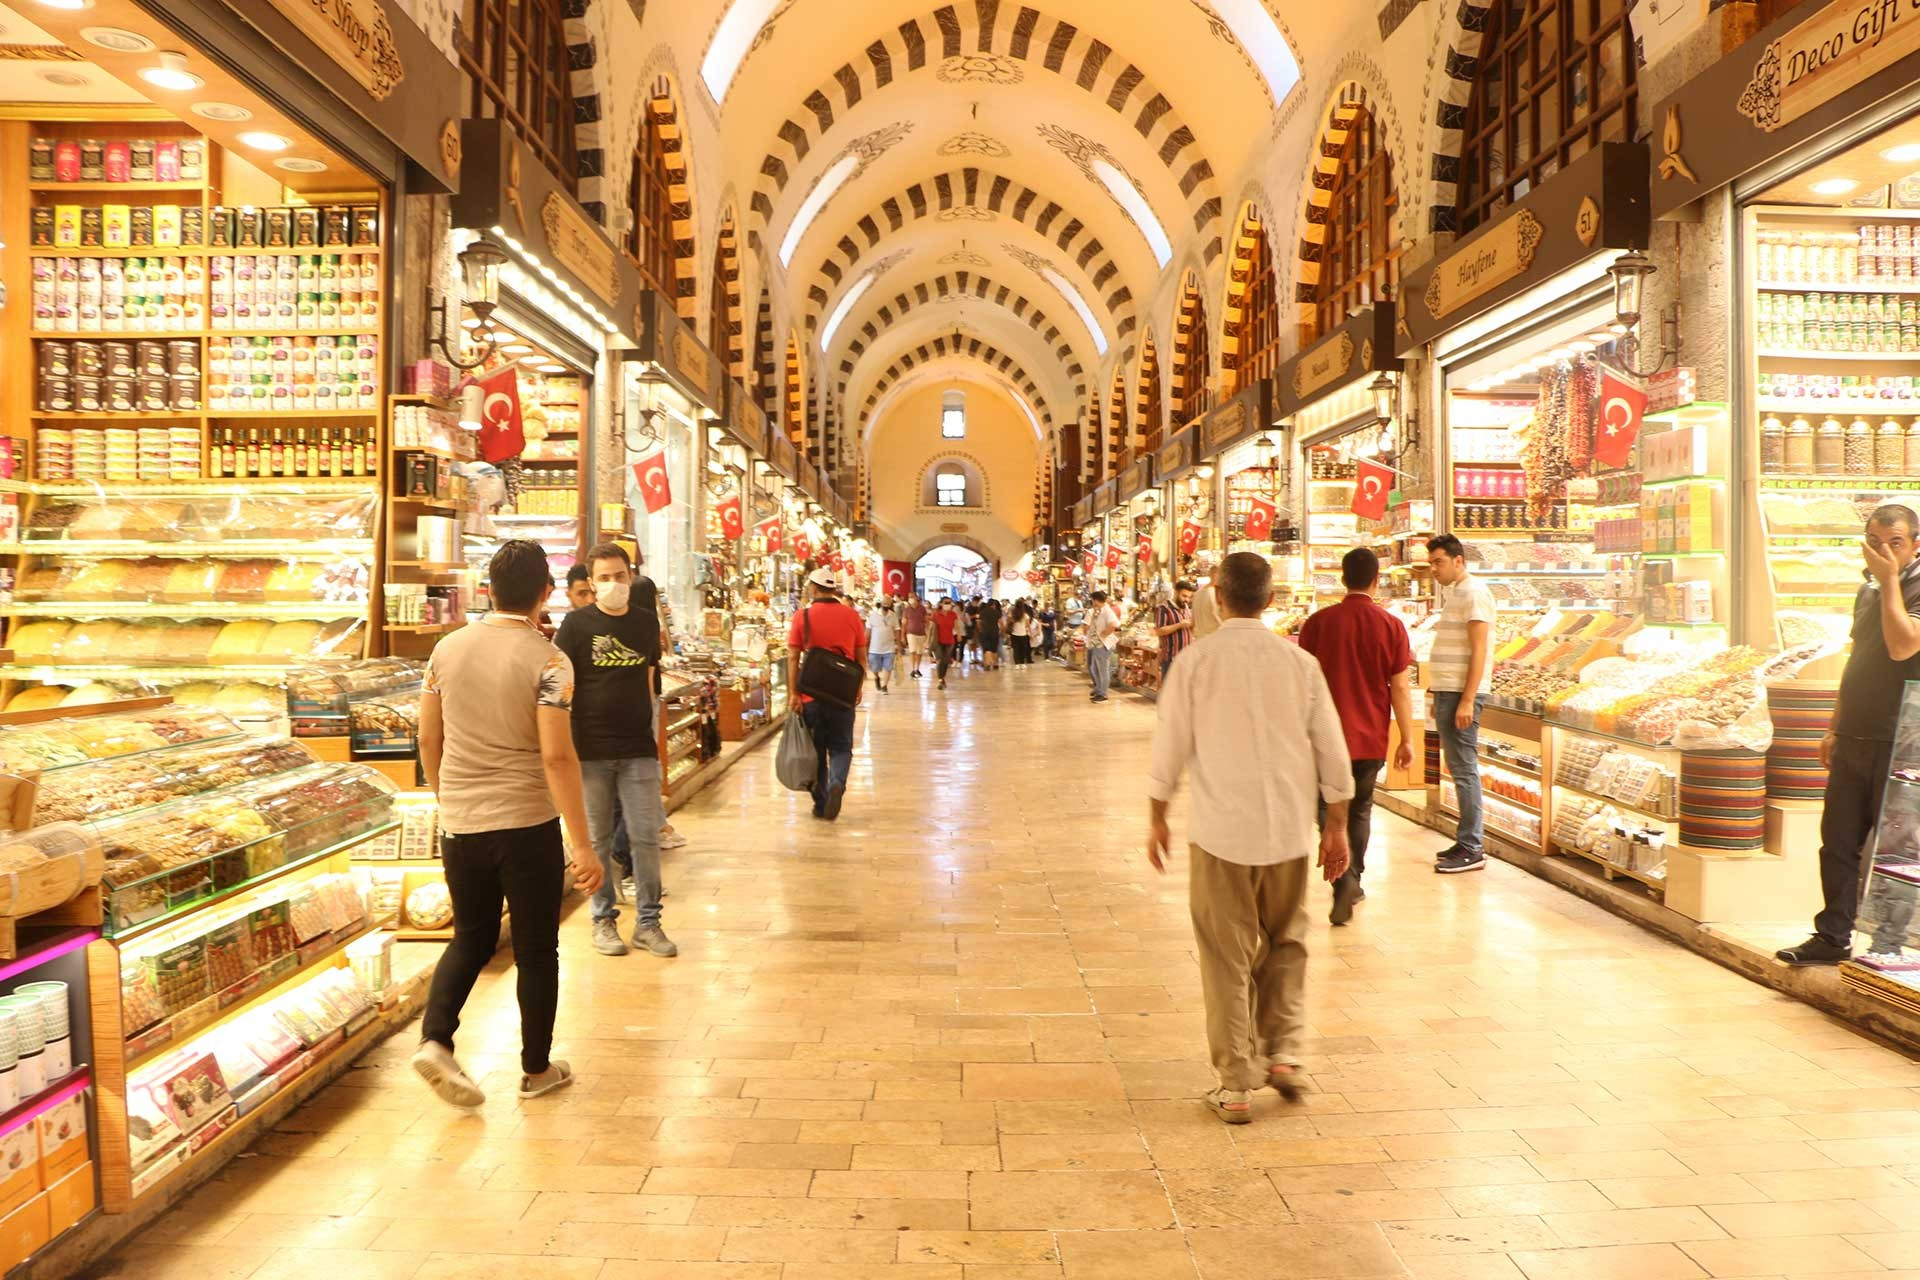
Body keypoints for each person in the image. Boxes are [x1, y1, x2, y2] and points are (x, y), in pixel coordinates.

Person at [1146, 551, 1354, 1124]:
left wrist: (1157, 813)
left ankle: (1237, 1082)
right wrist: (1335, 825)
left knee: (1225, 954)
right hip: (1287, 830)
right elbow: (1331, 749)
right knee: (1286, 942)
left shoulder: (1196, 662)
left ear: (1217, 594)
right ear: (1269, 599)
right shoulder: (1299, 664)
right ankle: (1284, 1053)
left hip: (1220, 833)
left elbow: (1170, 744)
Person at [413, 540, 603, 1108]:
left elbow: (428, 737)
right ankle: (536, 1070)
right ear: (547, 594)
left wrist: (451, 801)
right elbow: (556, 757)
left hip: (462, 823)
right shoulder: (550, 661)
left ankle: (435, 1039)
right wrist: (583, 844)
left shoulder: (445, 650)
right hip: (526, 825)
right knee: (536, 948)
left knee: (470, 936)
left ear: (487, 590)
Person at [1779, 505, 1920, 965]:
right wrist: (1834, 726)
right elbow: (1857, 659)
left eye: (1895, 542)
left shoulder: (1910, 588)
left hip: (1902, 743)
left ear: (1916, 544)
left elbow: (1902, 645)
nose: (1884, 552)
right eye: (1875, 542)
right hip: (1854, 736)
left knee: (1896, 852)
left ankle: (1889, 945)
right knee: (1837, 842)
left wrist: (1891, 581)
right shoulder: (1868, 591)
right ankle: (1832, 936)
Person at [552, 543, 675, 960]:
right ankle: (602, 919)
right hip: (590, 750)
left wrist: (652, 736)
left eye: (619, 576)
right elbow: (561, 688)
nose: (613, 584)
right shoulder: (574, 626)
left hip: (637, 749)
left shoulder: (644, 623)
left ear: (630, 576)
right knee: (597, 839)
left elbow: (647, 680)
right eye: (603, 578)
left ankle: (649, 923)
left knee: (645, 838)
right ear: (590, 582)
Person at [1298, 547, 1417, 925]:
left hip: (1325, 737)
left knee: (1327, 808)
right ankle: (1354, 878)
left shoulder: (1318, 623)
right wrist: (1407, 737)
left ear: (1342, 578)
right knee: (1361, 808)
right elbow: (1399, 687)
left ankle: (1344, 881)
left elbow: (1305, 685)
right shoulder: (1391, 625)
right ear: (1376, 579)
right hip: (1370, 735)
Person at [1425, 534, 1496, 875]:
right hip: (1448, 691)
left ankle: (1472, 846)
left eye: (1438, 562)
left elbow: (1479, 649)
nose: (1433, 569)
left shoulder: (1473, 593)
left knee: (1464, 767)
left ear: (1458, 560)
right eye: (1431, 564)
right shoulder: (1456, 593)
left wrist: (1467, 698)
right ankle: (1465, 838)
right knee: (1457, 766)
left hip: (1460, 694)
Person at [788, 568, 865, 820]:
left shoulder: (803, 616)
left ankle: (821, 803)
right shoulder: (852, 615)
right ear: (834, 589)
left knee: (817, 751)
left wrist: (794, 693)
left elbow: (792, 656)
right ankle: (837, 784)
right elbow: (861, 657)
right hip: (842, 695)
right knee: (842, 747)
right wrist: (858, 686)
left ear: (813, 588)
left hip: (812, 695)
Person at [1155, 580, 1197, 678]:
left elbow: (1191, 630)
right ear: (1176, 592)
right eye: (1184, 596)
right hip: (1171, 660)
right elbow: (1159, 631)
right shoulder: (1163, 608)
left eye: (1189, 597)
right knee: (1170, 692)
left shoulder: (1186, 608)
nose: (1187, 600)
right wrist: (1179, 625)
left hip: (1187, 659)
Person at [1087, 590, 1121, 703]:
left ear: (1096, 600)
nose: (1092, 602)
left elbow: (1114, 624)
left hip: (1103, 644)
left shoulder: (1107, 611)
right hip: (1097, 643)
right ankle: (1099, 689)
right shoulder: (1100, 610)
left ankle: (1103, 694)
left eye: (1093, 600)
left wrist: (1104, 634)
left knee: (1102, 669)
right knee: (1095, 668)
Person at [866, 595, 898, 694]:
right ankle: (877, 677)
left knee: (888, 668)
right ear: (881, 603)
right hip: (874, 648)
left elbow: (897, 629)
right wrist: (865, 643)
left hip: (889, 647)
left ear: (891, 604)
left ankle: (884, 686)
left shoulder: (893, 616)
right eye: (885, 602)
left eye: (888, 602)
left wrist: (898, 643)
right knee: (875, 668)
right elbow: (868, 631)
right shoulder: (872, 615)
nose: (886, 604)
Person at [930, 597, 961, 689]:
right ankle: (940, 680)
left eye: (949, 603)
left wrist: (959, 634)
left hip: (950, 640)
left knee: (946, 661)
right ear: (941, 604)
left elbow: (956, 625)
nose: (947, 604)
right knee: (939, 660)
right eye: (945, 602)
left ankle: (943, 677)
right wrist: (928, 640)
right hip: (938, 641)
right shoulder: (936, 615)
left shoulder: (953, 614)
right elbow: (931, 628)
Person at [903, 595, 930, 679]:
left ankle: (917, 668)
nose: (912, 600)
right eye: (911, 598)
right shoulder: (907, 610)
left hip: (921, 633)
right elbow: (904, 623)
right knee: (912, 651)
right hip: (910, 633)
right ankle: (913, 668)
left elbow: (926, 621)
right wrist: (902, 636)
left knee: (919, 652)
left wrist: (927, 632)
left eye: (914, 598)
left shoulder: (922, 609)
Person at [1191, 577, 1223, 642]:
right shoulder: (1214, 593)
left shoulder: (1197, 594)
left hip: (1199, 640)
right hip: (1213, 639)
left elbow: (1193, 621)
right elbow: (1215, 615)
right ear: (1216, 575)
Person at [979, 596, 1003, 671]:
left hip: (985, 632)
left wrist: (981, 629)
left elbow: (979, 622)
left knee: (986, 648)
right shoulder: (996, 612)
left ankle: (988, 664)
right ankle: (995, 664)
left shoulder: (982, 612)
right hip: (994, 632)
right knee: (994, 648)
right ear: (993, 605)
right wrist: (1002, 631)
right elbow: (1001, 623)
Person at [1009, 600, 1034, 665]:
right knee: (1023, 649)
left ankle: (1017, 663)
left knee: (1016, 650)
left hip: (1014, 634)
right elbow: (1028, 626)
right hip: (1023, 634)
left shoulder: (1012, 614)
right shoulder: (1025, 615)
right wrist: (1031, 634)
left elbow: (1010, 623)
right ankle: (1022, 663)